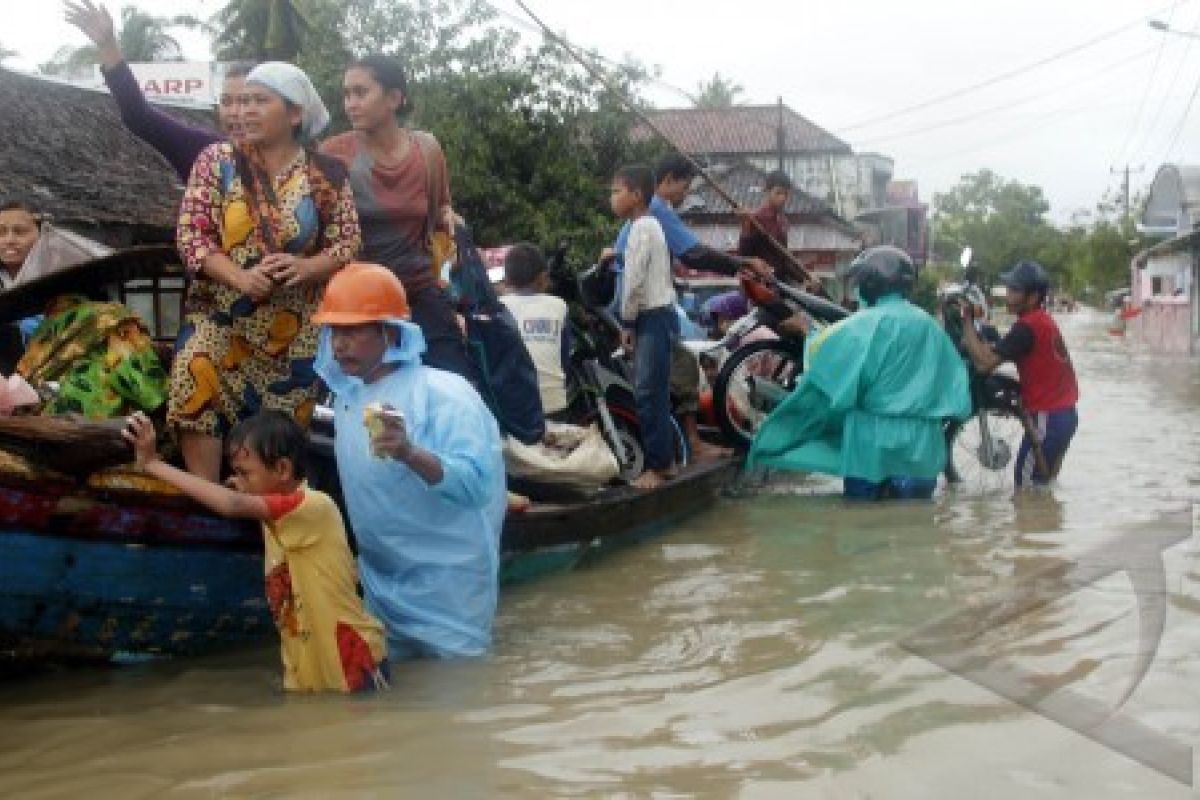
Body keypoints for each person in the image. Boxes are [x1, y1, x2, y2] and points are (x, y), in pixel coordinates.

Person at [172, 62, 361, 481]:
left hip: (293, 329)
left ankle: (272, 508)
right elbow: (191, 237)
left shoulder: (326, 173)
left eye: (260, 101)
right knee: (194, 375)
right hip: (220, 315)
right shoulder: (216, 161)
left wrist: (308, 266)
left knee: (282, 430)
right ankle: (208, 497)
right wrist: (239, 277)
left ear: (294, 114)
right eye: (241, 101)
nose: (245, 111)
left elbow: (347, 243)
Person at [311, 263, 506, 659]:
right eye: (335, 332)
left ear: (390, 331)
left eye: (354, 331)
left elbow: (474, 485)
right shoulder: (348, 400)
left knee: (455, 698)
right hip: (382, 586)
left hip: (449, 586)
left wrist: (408, 453)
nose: (340, 344)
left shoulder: (443, 393)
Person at [123, 410, 388, 692]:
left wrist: (152, 463)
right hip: (306, 656)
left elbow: (232, 505)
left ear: (283, 470)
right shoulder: (275, 512)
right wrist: (246, 485)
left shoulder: (313, 505)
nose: (239, 481)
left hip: (350, 654)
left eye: (245, 472)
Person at [749, 246, 972, 500]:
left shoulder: (863, 323)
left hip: (870, 443)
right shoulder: (931, 327)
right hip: (922, 447)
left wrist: (806, 331)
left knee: (861, 530)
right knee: (916, 529)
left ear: (870, 282)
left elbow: (826, 357)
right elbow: (957, 392)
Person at [321, 56, 478, 385]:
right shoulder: (335, 155)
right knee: (370, 398)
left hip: (418, 287)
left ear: (394, 98)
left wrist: (449, 218)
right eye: (346, 94)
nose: (351, 103)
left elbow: (441, 208)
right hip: (358, 300)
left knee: (454, 384)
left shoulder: (427, 150)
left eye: (361, 92)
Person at [603, 154, 771, 461]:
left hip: (637, 309)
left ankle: (679, 446)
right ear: (666, 182)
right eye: (684, 187)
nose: (684, 195)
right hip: (641, 312)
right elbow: (693, 254)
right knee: (674, 371)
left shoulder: (645, 221)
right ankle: (683, 447)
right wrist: (741, 264)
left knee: (666, 375)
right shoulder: (654, 214)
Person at [65, 0, 247, 179]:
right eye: (226, 102)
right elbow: (139, 116)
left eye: (246, 101)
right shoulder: (207, 155)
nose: (234, 112)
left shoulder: (275, 173)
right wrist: (108, 45)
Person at [960, 260, 1079, 486]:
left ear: (1033, 297)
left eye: (1015, 290)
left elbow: (984, 365)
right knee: (1043, 487)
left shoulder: (1027, 328)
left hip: (1047, 418)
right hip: (1063, 415)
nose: (1008, 295)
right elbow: (1000, 351)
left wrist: (966, 321)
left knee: (1025, 490)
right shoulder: (1040, 321)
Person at [610, 164, 680, 490]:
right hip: (662, 314)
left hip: (650, 316)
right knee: (657, 393)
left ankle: (656, 466)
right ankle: (664, 462)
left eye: (616, 192)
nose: (612, 199)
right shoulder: (652, 226)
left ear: (636, 196)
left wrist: (627, 322)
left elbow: (634, 281)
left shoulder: (640, 228)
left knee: (648, 393)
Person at [497, 243, 570, 417]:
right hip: (554, 403)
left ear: (506, 280)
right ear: (544, 277)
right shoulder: (559, 306)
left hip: (513, 406)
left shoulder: (499, 308)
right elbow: (564, 359)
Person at [0, 199, 46, 372]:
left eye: (19, 232)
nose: (9, 240)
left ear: (41, 234)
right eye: (1, 232)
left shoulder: (63, 278)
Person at [738, 169, 793, 275]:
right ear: (767, 191)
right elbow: (744, 255)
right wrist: (745, 226)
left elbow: (784, 259)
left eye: (786, 194)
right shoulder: (756, 218)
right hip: (760, 282)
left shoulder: (783, 221)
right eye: (778, 193)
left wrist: (805, 278)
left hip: (779, 281)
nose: (783, 198)